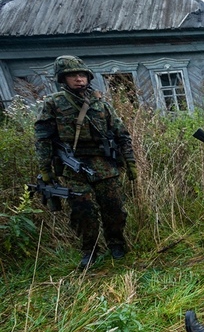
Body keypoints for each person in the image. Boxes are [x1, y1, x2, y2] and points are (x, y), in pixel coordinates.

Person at [34, 55, 137, 269]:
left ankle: (116, 244)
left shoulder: (101, 104)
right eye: (72, 75)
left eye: (82, 75)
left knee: (115, 209)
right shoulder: (53, 104)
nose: (79, 79)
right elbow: (43, 138)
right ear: (63, 79)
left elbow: (122, 135)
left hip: (105, 167)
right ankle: (89, 250)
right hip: (74, 169)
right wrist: (46, 170)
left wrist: (131, 163)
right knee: (82, 211)